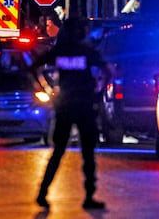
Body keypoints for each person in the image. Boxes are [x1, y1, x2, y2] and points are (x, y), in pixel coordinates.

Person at [32, 17, 111, 210]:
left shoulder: (60, 52)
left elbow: (34, 67)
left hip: (65, 106)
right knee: (88, 155)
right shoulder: (87, 52)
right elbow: (107, 71)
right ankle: (89, 197)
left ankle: (42, 193)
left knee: (58, 152)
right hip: (84, 106)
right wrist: (97, 93)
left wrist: (48, 88)